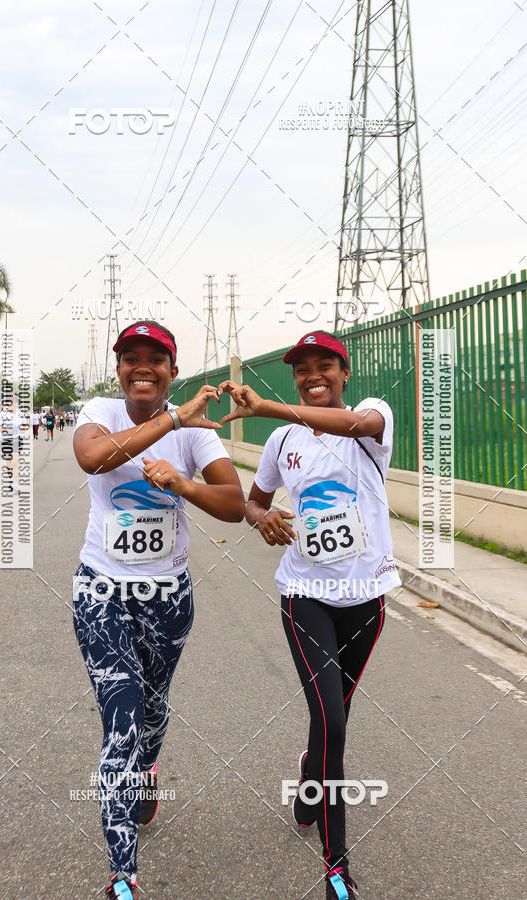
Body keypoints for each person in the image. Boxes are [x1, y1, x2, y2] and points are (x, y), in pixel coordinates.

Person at [219, 331, 401, 900]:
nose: (312, 375)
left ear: (344, 373)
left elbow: (356, 426)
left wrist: (265, 404)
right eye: (302, 369)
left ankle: (310, 769)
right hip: (305, 595)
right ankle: (337, 868)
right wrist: (260, 518)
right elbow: (254, 499)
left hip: (366, 599)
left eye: (325, 366)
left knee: (332, 719)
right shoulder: (280, 442)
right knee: (335, 722)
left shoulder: (373, 418)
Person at [72, 321, 244, 900]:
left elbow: (232, 504)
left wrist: (182, 484)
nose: (142, 368)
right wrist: (170, 420)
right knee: (119, 723)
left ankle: (148, 772)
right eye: (131, 359)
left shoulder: (196, 434)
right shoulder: (100, 409)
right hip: (102, 592)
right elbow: (92, 460)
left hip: (168, 596)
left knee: (152, 710)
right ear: (118, 369)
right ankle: (124, 876)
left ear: (173, 371)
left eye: (156, 360)